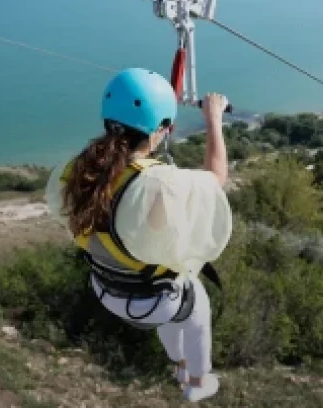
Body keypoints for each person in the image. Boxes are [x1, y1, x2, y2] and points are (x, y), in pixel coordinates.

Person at [44, 67, 233, 403]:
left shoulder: (77, 170)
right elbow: (216, 177)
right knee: (195, 305)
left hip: (105, 288)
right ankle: (198, 381)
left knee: (175, 305)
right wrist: (213, 119)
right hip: (151, 301)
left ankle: (178, 364)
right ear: (161, 130)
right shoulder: (157, 184)